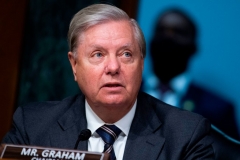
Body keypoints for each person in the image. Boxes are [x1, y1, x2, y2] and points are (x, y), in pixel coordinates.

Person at [1, 4, 214, 159]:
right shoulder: (32, 126)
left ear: (141, 64)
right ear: (74, 65)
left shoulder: (187, 135)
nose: (113, 67)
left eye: (126, 54)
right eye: (98, 55)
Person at [146, 8, 239, 140]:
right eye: (161, 30)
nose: (168, 36)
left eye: (178, 32)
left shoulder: (218, 110)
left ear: (194, 48)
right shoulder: (123, 93)